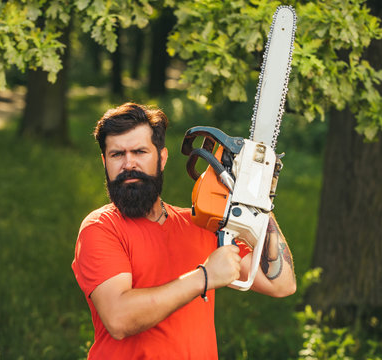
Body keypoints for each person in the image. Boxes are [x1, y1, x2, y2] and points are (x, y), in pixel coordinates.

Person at [72, 102, 296, 359]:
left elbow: (281, 284)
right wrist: (205, 277)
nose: (128, 164)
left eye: (140, 152)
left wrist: (257, 200)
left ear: (162, 158)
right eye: (117, 154)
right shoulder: (101, 228)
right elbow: (119, 319)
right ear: (104, 161)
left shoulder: (202, 223)